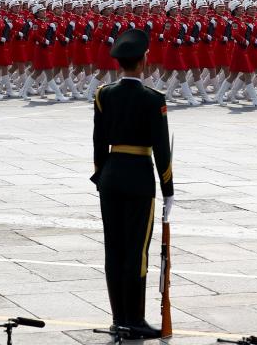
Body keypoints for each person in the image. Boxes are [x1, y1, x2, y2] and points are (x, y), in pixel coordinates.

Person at [91, 29, 174, 338]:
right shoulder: (153, 99)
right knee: (137, 251)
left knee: (114, 249)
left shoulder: (104, 94)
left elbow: (99, 142)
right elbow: (162, 150)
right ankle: (134, 320)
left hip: (111, 175)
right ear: (143, 62)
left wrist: (101, 176)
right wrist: (168, 190)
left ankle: (119, 318)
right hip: (139, 177)